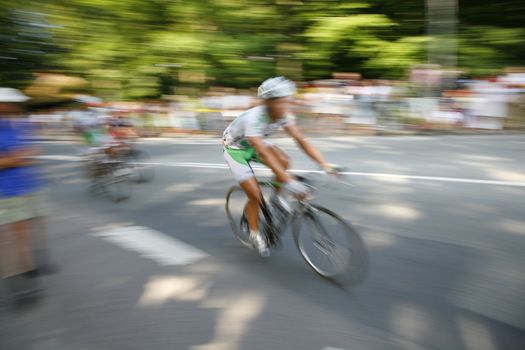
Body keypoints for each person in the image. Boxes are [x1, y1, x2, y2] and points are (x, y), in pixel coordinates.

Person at [222, 77, 337, 257]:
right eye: (281, 102)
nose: (286, 106)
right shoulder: (255, 117)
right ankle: (254, 233)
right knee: (255, 196)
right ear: (268, 102)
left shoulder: (284, 115)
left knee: (284, 161)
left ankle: (276, 197)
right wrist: (288, 181)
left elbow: (301, 140)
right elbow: (263, 152)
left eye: (288, 100)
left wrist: (325, 165)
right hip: (236, 149)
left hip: (255, 142)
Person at [0, 88, 54, 304]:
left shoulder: (20, 123)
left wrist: (23, 156)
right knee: (10, 239)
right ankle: (17, 283)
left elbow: (32, 148)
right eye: (11, 104)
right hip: (7, 191)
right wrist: (13, 159)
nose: (15, 107)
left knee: (29, 230)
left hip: (29, 186)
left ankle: (29, 267)